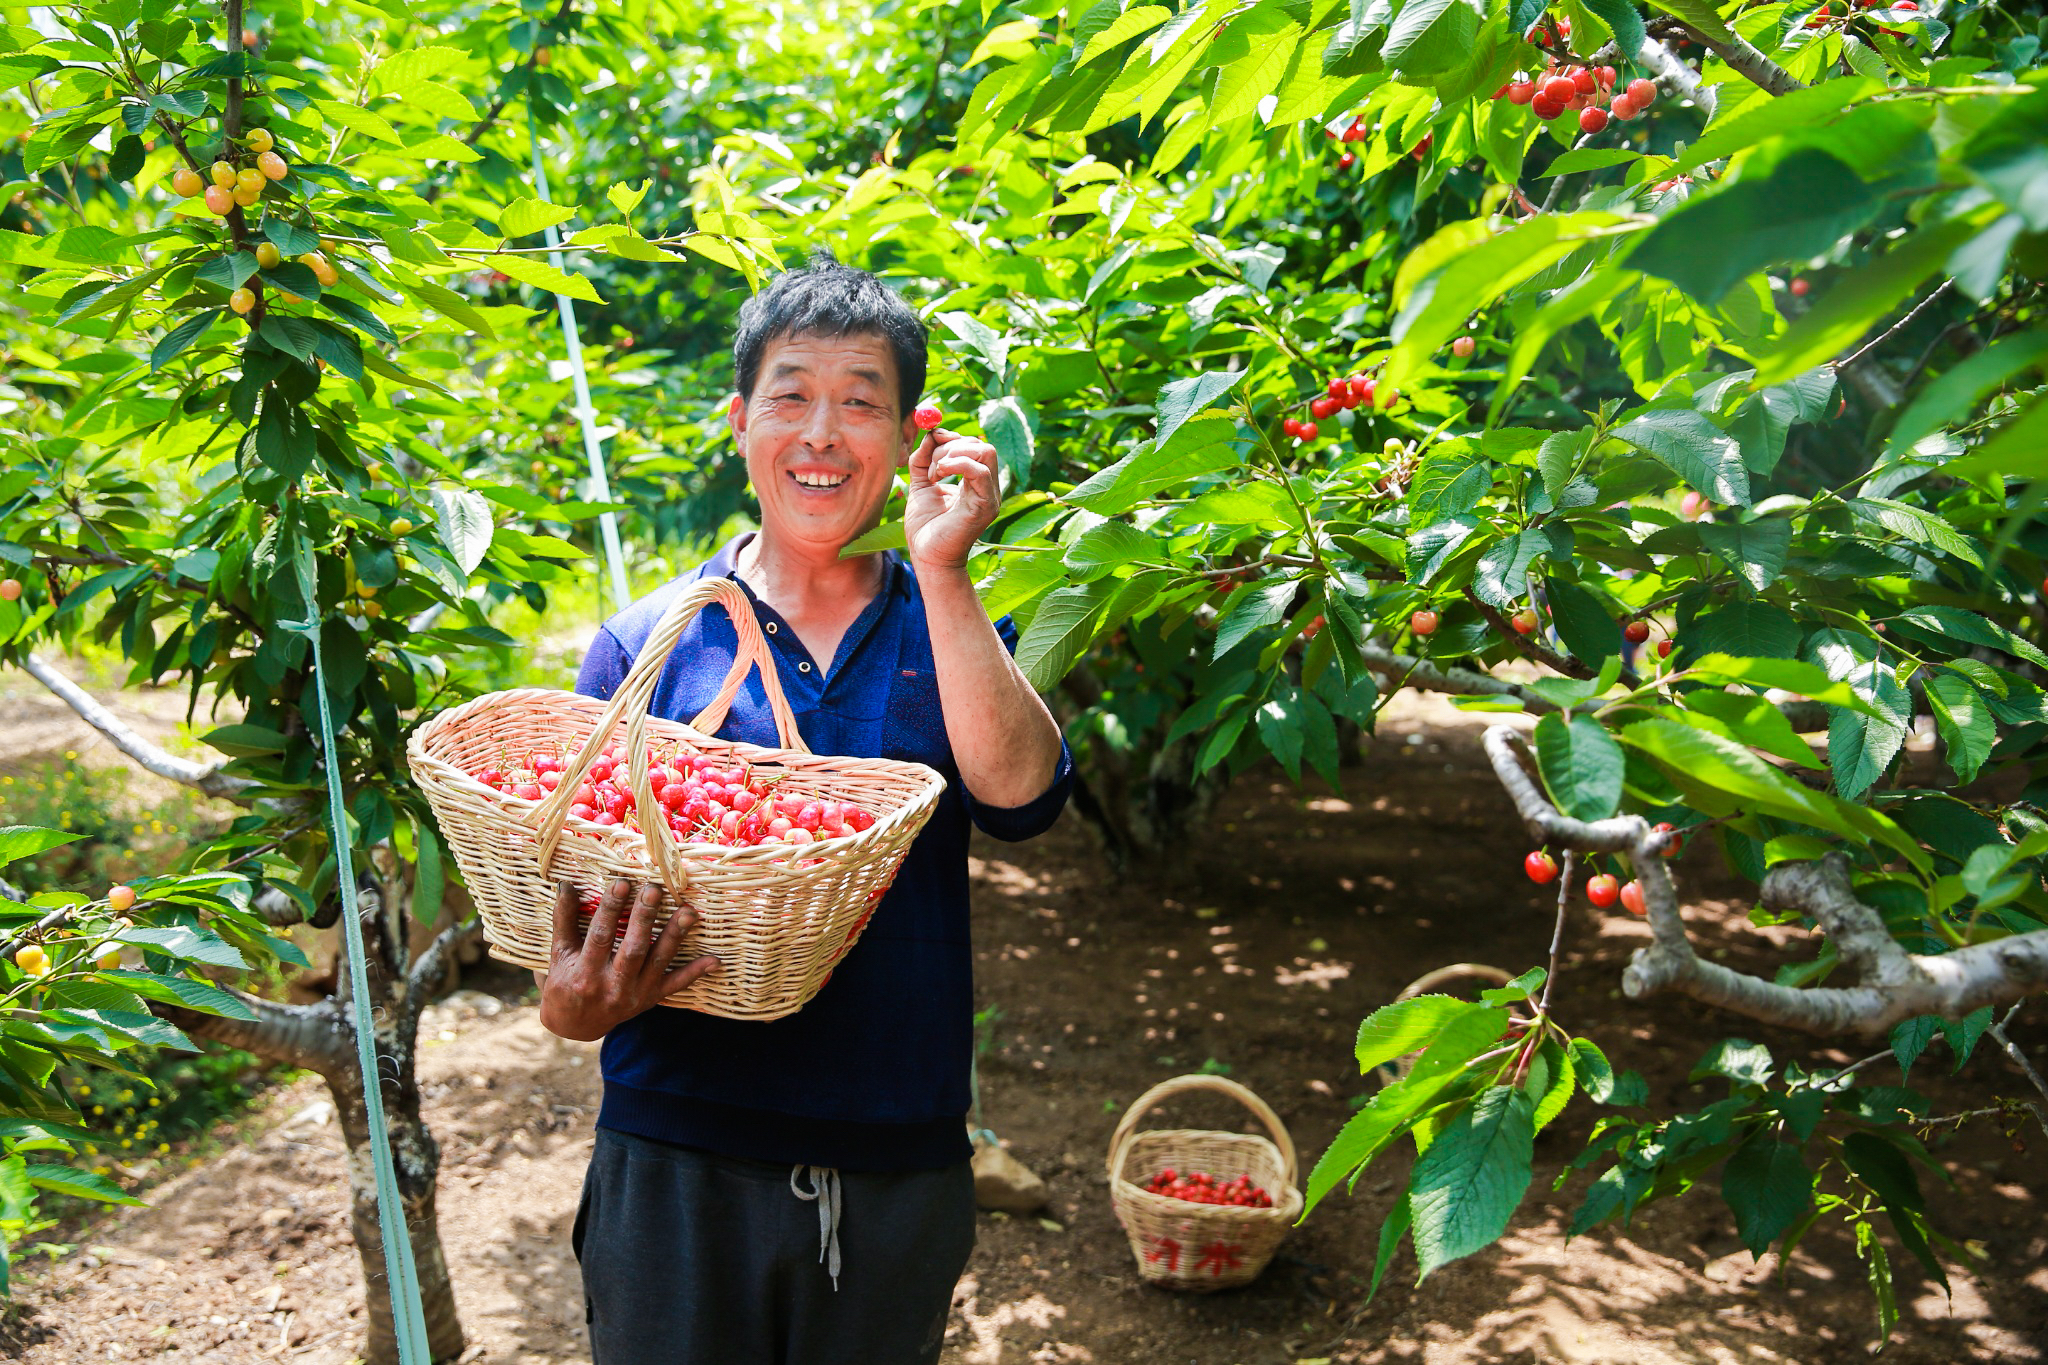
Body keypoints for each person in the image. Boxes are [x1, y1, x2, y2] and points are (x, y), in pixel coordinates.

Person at [535, 253, 1072, 1364]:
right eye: (791, 396)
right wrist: (572, 1009)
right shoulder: (650, 646)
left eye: (859, 402)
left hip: (897, 1160)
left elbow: (1020, 801)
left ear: (907, 437)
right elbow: (572, 924)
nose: (821, 434)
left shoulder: (951, 622)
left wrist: (945, 572)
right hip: (677, 1151)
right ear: (739, 422)